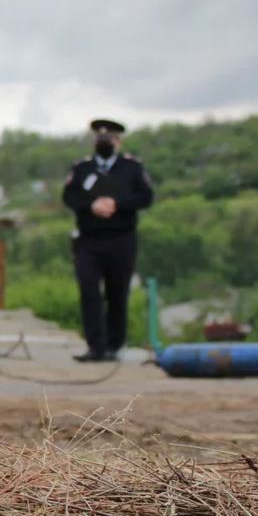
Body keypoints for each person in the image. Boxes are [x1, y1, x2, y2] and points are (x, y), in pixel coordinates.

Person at [62, 119, 154, 362]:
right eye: (99, 139)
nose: (104, 143)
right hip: (89, 240)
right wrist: (91, 205)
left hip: (121, 239)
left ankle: (115, 345)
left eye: (109, 139)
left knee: (117, 293)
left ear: (118, 141)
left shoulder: (131, 168)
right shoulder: (82, 168)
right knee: (89, 289)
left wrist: (118, 205)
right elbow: (69, 197)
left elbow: (146, 197)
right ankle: (96, 347)